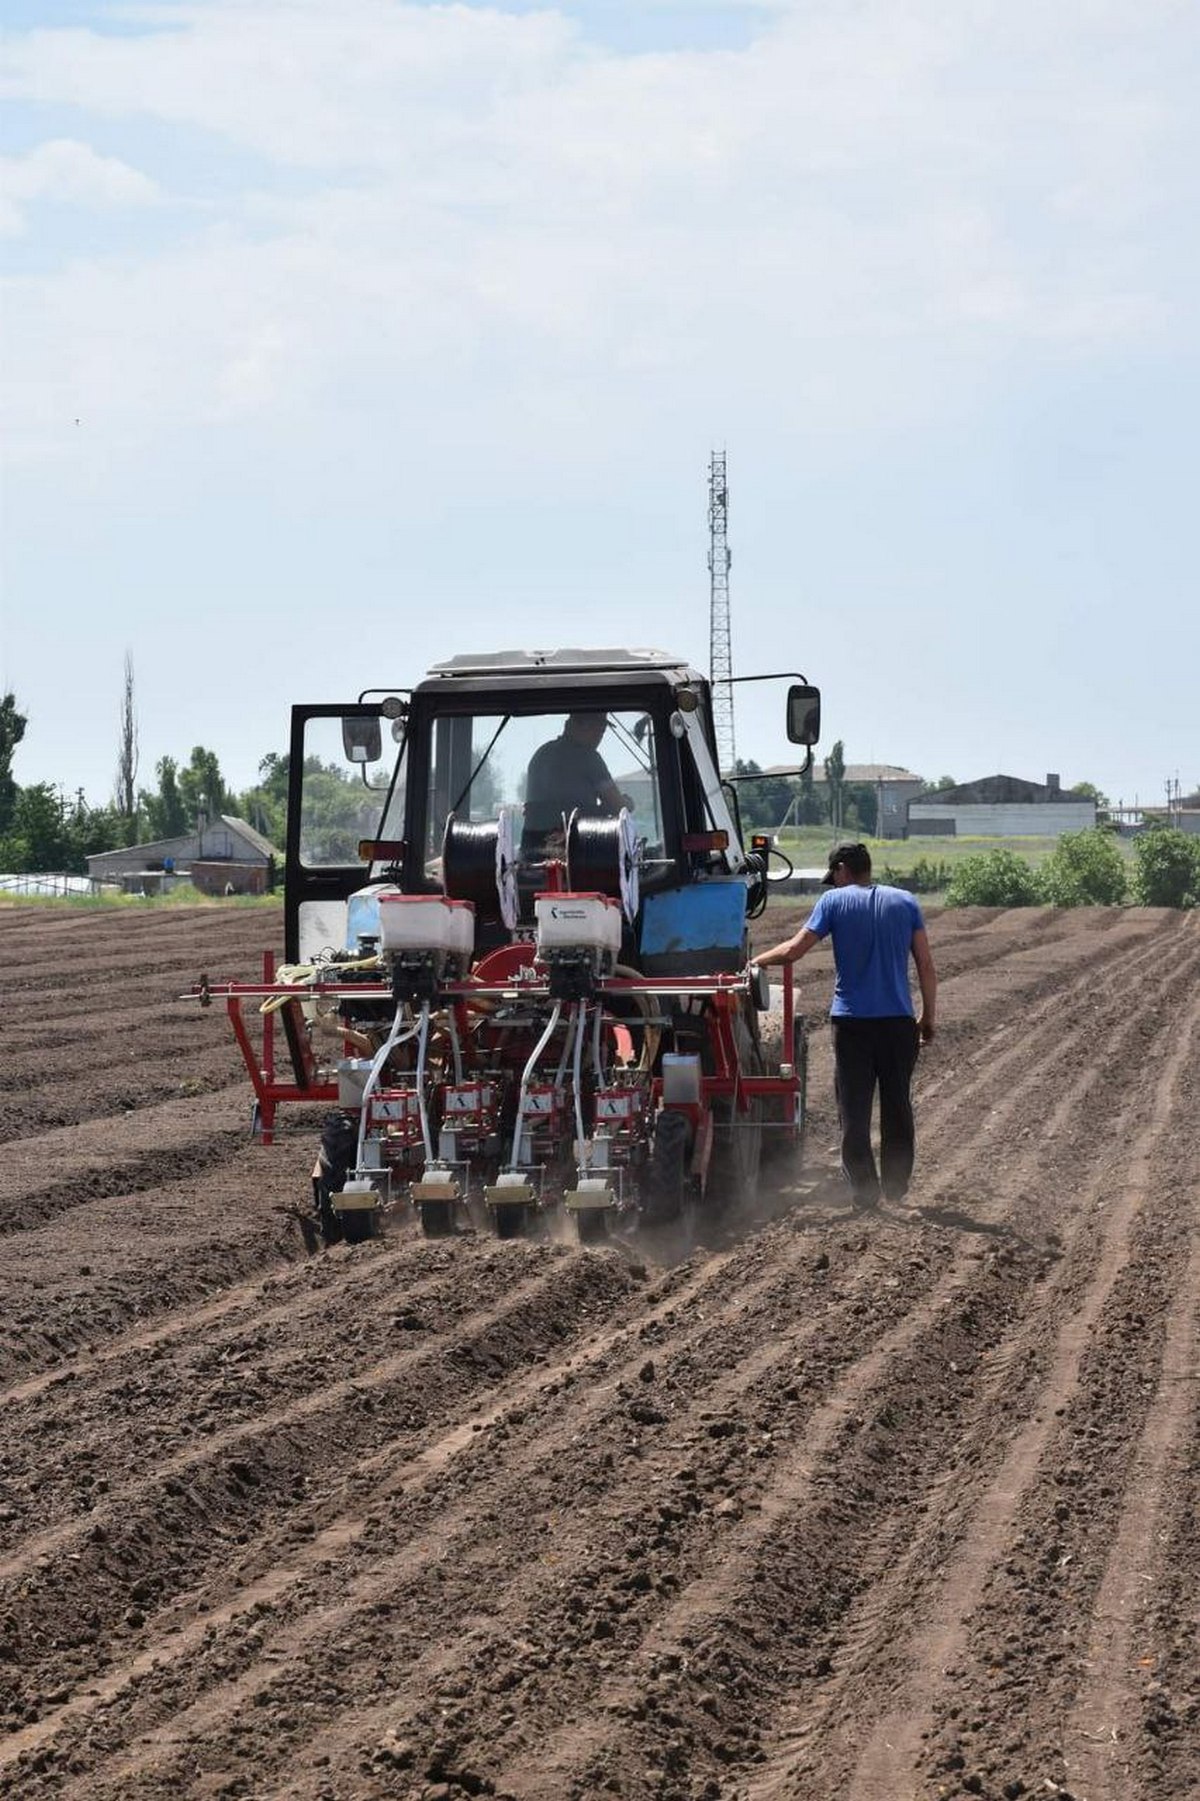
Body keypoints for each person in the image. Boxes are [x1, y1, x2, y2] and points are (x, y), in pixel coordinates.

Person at [755, 841, 937, 1206]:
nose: (833, 884)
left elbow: (794, 950)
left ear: (841, 869)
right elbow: (926, 966)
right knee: (897, 1103)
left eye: (833, 877)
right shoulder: (905, 902)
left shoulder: (833, 902)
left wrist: (753, 964)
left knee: (853, 1109)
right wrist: (928, 1017)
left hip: (852, 1023)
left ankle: (864, 1191)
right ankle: (896, 1189)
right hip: (899, 1022)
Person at [522, 712, 627, 847]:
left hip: (532, 849)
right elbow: (618, 806)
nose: (599, 736)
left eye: (602, 731)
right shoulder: (588, 757)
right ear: (579, 726)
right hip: (573, 852)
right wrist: (629, 803)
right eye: (599, 730)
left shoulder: (541, 754)